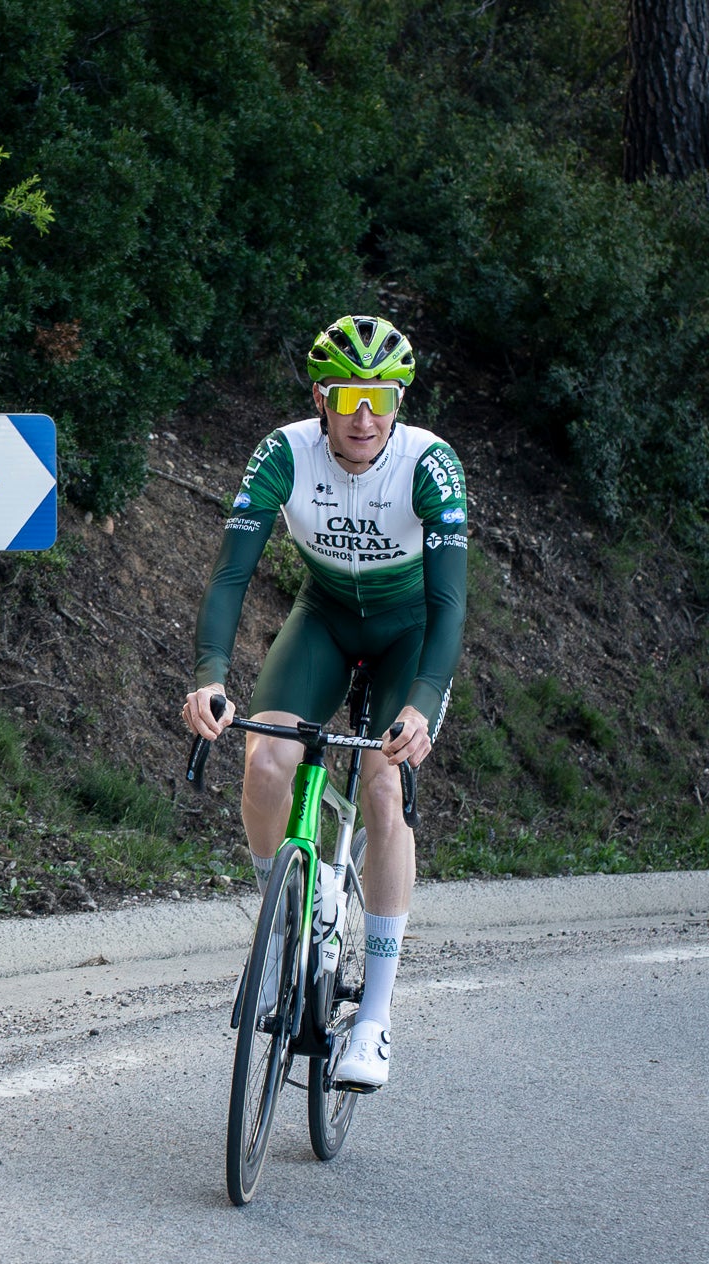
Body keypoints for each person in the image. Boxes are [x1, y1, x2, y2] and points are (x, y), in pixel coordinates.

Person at [180, 315, 467, 1090]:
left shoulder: (429, 464)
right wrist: (209, 672)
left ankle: (372, 1019)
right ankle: (283, 919)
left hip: (409, 634)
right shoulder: (284, 452)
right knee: (266, 756)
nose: (365, 416)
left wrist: (424, 700)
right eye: (348, 397)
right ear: (321, 397)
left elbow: (447, 605)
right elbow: (231, 574)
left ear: (398, 398)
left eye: (380, 397)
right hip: (327, 621)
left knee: (381, 785)